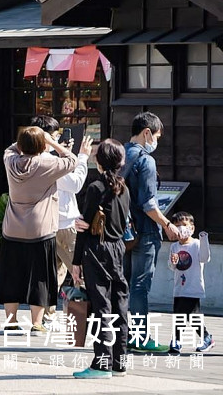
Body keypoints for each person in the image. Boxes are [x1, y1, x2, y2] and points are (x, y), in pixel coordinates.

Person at [0, 122, 77, 331]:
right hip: (40, 229)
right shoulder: (47, 165)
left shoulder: (10, 161)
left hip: (12, 228)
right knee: (40, 275)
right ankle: (36, 322)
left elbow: (10, 148)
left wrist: (29, 139)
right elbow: (72, 160)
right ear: (42, 146)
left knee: (11, 274)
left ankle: (11, 321)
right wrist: (52, 142)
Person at [70, 138, 131, 379]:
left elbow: (84, 228)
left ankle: (101, 364)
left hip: (96, 250)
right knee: (120, 305)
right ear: (121, 161)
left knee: (101, 307)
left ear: (98, 161)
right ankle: (119, 362)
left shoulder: (95, 188)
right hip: (118, 249)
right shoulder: (125, 188)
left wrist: (76, 262)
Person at [122, 112, 181, 353]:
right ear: (147, 132)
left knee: (123, 285)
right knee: (139, 286)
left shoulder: (120, 154)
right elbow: (149, 204)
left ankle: (120, 335)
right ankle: (139, 337)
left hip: (121, 231)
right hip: (144, 232)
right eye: (156, 135)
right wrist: (168, 224)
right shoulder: (146, 161)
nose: (156, 141)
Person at [38, 117, 91, 326]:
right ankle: (90, 316)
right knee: (81, 273)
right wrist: (83, 158)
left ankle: (47, 316)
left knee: (54, 274)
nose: (58, 138)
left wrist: (64, 153)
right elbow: (75, 184)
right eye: (55, 135)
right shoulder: (49, 160)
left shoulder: (34, 158)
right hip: (66, 225)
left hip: (47, 224)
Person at [167, 211, 213, 354]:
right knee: (180, 315)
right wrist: (173, 262)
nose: (181, 228)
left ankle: (203, 337)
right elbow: (171, 266)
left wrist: (204, 239)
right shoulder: (174, 247)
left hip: (193, 288)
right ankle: (181, 339)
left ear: (192, 228)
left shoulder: (197, 244)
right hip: (179, 288)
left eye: (184, 225)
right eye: (177, 226)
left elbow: (205, 258)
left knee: (191, 316)